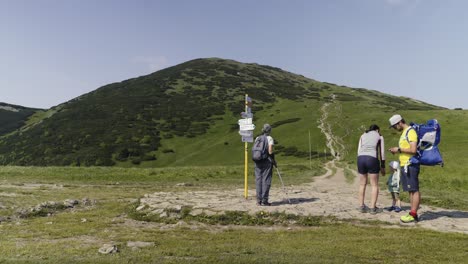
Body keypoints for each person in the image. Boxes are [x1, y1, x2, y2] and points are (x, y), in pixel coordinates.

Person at [388, 114, 420, 223]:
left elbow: (413, 149)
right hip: (405, 164)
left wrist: (399, 150)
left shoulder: (410, 132)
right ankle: (412, 212)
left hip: (410, 164)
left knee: (414, 189)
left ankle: (414, 214)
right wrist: (397, 150)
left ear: (399, 123)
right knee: (410, 190)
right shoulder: (404, 133)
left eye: (394, 126)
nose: (394, 129)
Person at [357, 124, 386, 214]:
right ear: (377, 130)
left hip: (360, 158)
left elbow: (359, 150)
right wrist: (383, 166)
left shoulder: (363, 135)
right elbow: (382, 152)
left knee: (362, 184)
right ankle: (372, 208)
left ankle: (361, 206)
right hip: (372, 159)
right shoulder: (379, 136)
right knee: (374, 185)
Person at [255, 124, 275, 206]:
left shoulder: (257, 138)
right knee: (266, 180)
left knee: (258, 180)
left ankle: (258, 200)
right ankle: (264, 200)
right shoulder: (269, 138)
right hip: (266, 161)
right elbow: (270, 151)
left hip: (257, 160)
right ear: (269, 130)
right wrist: (273, 159)